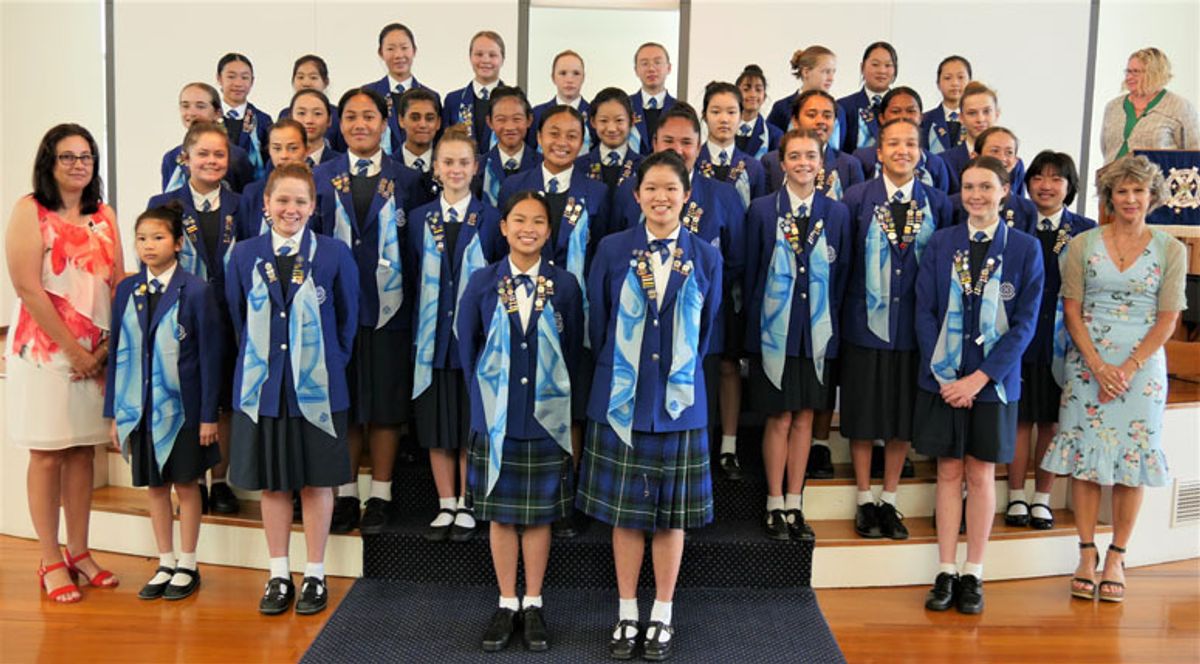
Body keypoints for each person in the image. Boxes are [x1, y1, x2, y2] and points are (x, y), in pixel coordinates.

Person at [579, 151, 722, 661]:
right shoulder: (613, 248)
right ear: (637, 195)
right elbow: (598, 323)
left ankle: (662, 611)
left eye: (671, 189)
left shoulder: (705, 255)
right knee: (626, 515)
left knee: (670, 517)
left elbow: (706, 332)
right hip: (624, 399)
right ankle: (626, 611)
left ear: (687, 196)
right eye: (652, 189)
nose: (661, 198)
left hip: (678, 404)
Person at [1042, 155, 1186, 602]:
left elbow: (1168, 318)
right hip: (1087, 364)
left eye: (1138, 190)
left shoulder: (1171, 249)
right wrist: (1099, 366)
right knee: (1085, 460)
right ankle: (1086, 553)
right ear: (1109, 197)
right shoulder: (1081, 245)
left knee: (1132, 463)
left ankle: (1117, 556)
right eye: (1121, 190)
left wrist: (1127, 368)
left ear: (1152, 196)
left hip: (1142, 371)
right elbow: (1070, 310)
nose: (1130, 198)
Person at [226, 162, 359, 616]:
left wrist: (323, 366)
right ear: (266, 204)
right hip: (265, 389)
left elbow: (347, 322)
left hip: (319, 388)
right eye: (282, 199)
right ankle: (279, 573)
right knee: (274, 485)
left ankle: (315, 573)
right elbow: (238, 320)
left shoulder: (334, 253)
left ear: (313, 206)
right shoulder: (244, 255)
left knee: (318, 484)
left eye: (300, 201)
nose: (291, 208)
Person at [916, 156, 1043, 615]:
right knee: (948, 472)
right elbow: (924, 311)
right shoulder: (941, 242)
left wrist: (979, 378)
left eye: (986, 187)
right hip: (944, 380)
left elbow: (1024, 325)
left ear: (1005, 190)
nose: (976, 195)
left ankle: (974, 572)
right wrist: (948, 376)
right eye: (969, 187)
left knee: (981, 473)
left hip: (993, 383)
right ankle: (946, 569)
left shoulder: (1025, 249)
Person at [458, 191, 584, 653]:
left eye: (538, 222)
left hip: (545, 418)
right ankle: (505, 601)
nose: (528, 229)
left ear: (549, 232)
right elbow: (467, 347)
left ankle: (533, 602)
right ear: (504, 227)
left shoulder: (565, 284)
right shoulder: (482, 281)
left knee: (538, 517)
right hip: (497, 416)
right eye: (519, 220)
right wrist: (486, 403)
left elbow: (573, 350)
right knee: (500, 515)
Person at [7, 123, 124, 603]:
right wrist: (74, 352)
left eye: (86, 157)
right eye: (68, 157)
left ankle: (79, 552)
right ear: (49, 163)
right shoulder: (29, 210)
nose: (79, 164)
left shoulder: (104, 214)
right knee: (48, 453)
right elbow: (27, 287)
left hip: (94, 354)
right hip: (45, 352)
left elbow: (116, 283)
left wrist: (102, 352)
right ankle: (50, 558)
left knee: (81, 453)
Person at [613, 104, 745, 485]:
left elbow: (735, 261)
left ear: (699, 146)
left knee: (695, 410)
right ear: (653, 143)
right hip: (637, 332)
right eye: (668, 140)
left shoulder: (723, 195)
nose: (677, 149)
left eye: (686, 142)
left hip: (700, 327)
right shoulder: (629, 192)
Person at [498, 104, 610, 537]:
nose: (562, 142)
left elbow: (604, 254)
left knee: (572, 405)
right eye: (554, 133)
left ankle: (569, 496)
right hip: (523, 312)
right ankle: (530, 493)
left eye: (572, 136)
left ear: (583, 142)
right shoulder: (515, 185)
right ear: (538, 136)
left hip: (576, 309)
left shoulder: (597, 191)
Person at [314, 88, 422, 535]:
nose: (360, 124)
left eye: (369, 116)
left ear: (384, 122)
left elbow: (417, 250)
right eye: (351, 117)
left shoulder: (408, 179)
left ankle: (380, 494)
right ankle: (345, 494)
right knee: (345, 402)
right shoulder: (321, 176)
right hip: (336, 309)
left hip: (390, 310)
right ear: (339, 124)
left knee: (385, 405)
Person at [840, 118, 953, 540]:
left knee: (902, 419)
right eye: (893, 143)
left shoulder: (937, 203)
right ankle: (864, 499)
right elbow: (845, 263)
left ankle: (889, 499)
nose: (902, 150)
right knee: (863, 416)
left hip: (914, 329)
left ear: (921, 152)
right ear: (879, 151)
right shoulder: (857, 198)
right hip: (864, 325)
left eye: (910, 143)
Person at [105, 202, 221, 601]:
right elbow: (118, 353)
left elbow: (210, 358)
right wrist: (114, 413)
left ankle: (188, 562)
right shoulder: (127, 290)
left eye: (157, 237)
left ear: (177, 243)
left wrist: (208, 415)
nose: (148, 246)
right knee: (155, 487)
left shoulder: (196, 290)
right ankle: (165, 560)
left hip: (183, 410)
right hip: (139, 408)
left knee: (186, 485)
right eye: (141, 239)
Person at [744, 129, 851, 541]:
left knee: (805, 416)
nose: (803, 163)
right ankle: (774, 501)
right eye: (795, 156)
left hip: (816, 333)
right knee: (780, 416)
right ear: (782, 162)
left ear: (821, 163)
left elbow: (842, 277)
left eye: (811, 155)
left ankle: (795, 500)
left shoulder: (837, 213)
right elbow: (751, 274)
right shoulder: (762, 210)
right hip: (775, 331)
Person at [406, 127, 503, 542]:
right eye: (448, 162)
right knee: (436, 425)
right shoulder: (418, 219)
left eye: (464, 162)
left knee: (467, 424)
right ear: (435, 167)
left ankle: (468, 500)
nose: (456, 169)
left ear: (476, 167)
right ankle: (445, 501)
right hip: (431, 339)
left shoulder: (492, 219)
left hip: (473, 341)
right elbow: (412, 276)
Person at [147, 122, 243, 515]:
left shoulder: (241, 204)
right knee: (189, 395)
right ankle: (192, 480)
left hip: (230, 316)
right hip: (182, 316)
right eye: (203, 153)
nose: (211, 161)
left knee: (224, 402)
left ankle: (219, 481)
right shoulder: (165, 203)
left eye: (219, 154)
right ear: (185, 158)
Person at [1006, 151, 1096, 530]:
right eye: (1038, 177)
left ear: (1069, 186)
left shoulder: (1085, 231)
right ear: (1027, 183)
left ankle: (1042, 497)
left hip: (1063, 339)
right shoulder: (1013, 222)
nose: (1046, 185)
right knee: (1019, 419)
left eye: (1056, 178)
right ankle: (1015, 495)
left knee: (1051, 422)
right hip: (1017, 337)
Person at [1100, 47, 1199, 163]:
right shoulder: (1113, 107)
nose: (1129, 77)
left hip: (1158, 174)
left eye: (1136, 72)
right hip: (1113, 174)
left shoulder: (1179, 107)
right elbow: (1106, 149)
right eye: (1128, 71)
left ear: (1155, 74)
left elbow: (1195, 154)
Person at [762, 90, 865, 200]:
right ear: (795, 121)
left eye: (827, 116)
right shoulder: (772, 162)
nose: (820, 121)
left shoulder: (849, 165)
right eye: (811, 115)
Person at [160, 82, 254, 194]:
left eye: (200, 106)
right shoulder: (171, 157)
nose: (191, 112)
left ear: (218, 113)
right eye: (185, 106)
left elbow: (247, 199)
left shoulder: (236, 156)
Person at [853, 87, 952, 193]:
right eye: (895, 111)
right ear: (882, 118)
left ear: (920, 118)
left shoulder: (935, 164)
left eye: (911, 111)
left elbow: (940, 200)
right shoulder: (862, 158)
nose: (903, 116)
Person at [365, 22, 441, 156]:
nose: (398, 55)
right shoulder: (368, 94)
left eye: (404, 48)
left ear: (414, 50)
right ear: (381, 53)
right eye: (391, 49)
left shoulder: (431, 96)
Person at [941, 82, 1026, 195]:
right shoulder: (943, 162)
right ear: (961, 118)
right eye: (972, 113)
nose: (980, 119)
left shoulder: (1014, 163)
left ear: (997, 114)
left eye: (986, 111)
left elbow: (1019, 203)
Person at [696, 81, 768, 209]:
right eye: (716, 112)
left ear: (741, 116)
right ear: (705, 116)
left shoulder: (753, 168)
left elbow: (758, 214)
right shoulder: (693, 163)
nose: (724, 119)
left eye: (731, 112)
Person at [950, 128, 1036, 229]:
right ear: (975, 156)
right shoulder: (952, 206)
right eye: (994, 151)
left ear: (1015, 161)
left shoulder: (1026, 209)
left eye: (1009, 152)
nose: (1002, 158)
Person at [576, 87, 643, 215]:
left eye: (619, 120)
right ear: (593, 122)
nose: (611, 128)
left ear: (632, 120)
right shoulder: (579, 166)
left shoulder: (644, 167)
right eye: (604, 121)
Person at [238, 119, 309, 239]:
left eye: (293, 148)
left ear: (306, 150)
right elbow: (244, 241)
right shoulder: (253, 193)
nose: (284, 156)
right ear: (269, 150)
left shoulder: (319, 189)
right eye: (277, 148)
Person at [766, 46, 845, 149]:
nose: (831, 78)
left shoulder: (839, 110)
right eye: (825, 72)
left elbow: (841, 148)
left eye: (833, 72)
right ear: (806, 72)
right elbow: (772, 144)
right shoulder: (782, 107)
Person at [475, 86, 539, 208]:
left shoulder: (543, 165)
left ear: (529, 120)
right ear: (489, 122)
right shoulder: (478, 167)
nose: (510, 127)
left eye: (517, 119)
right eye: (501, 119)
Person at [443, 31, 507, 150]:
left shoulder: (514, 100)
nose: (485, 60)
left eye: (492, 55)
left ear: (502, 59)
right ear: (470, 57)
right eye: (479, 54)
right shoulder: (453, 100)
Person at [216, 53, 272, 182]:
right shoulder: (209, 117)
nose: (238, 83)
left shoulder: (263, 120)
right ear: (219, 78)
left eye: (244, 77)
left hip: (251, 187)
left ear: (252, 81)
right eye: (231, 76)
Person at [838, 42, 897, 153]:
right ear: (862, 67)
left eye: (888, 65)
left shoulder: (903, 106)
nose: (882, 71)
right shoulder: (844, 106)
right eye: (875, 64)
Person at [530, 50, 595, 152]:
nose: (569, 80)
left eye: (576, 73)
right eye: (563, 73)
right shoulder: (538, 113)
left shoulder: (593, 113)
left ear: (583, 77)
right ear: (553, 77)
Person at [276, 55, 342, 152]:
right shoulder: (284, 114)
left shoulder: (338, 115)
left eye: (313, 77)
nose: (306, 83)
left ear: (326, 82)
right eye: (300, 77)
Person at [396, 87, 444, 208]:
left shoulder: (449, 168)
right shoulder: (386, 165)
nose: (422, 124)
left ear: (438, 123)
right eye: (415, 117)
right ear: (401, 120)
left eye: (429, 118)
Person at [628, 42, 677, 155]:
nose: (651, 68)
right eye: (645, 63)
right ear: (636, 70)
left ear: (669, 68)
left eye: (657, 62)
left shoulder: (680, 109)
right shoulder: (625, 106)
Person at [921, 56, 972, 155]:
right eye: (948, 78)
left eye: (960, 77)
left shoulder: (977, 121)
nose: (955, 83)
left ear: (970, 82)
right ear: (938, 83)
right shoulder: (925, 120)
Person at [734, 65, 783, 160]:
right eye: (746, 89)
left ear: (764, 96)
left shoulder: (774, 134)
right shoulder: (725, 129)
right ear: (736, 94)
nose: (753, 94)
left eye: (758, 90)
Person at [290, 89, 342, 168]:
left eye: (317, 113)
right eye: (301, 113)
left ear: (329, 120)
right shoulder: (278, 162)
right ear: (291, 118)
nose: (309, 120)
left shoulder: (342, 164)